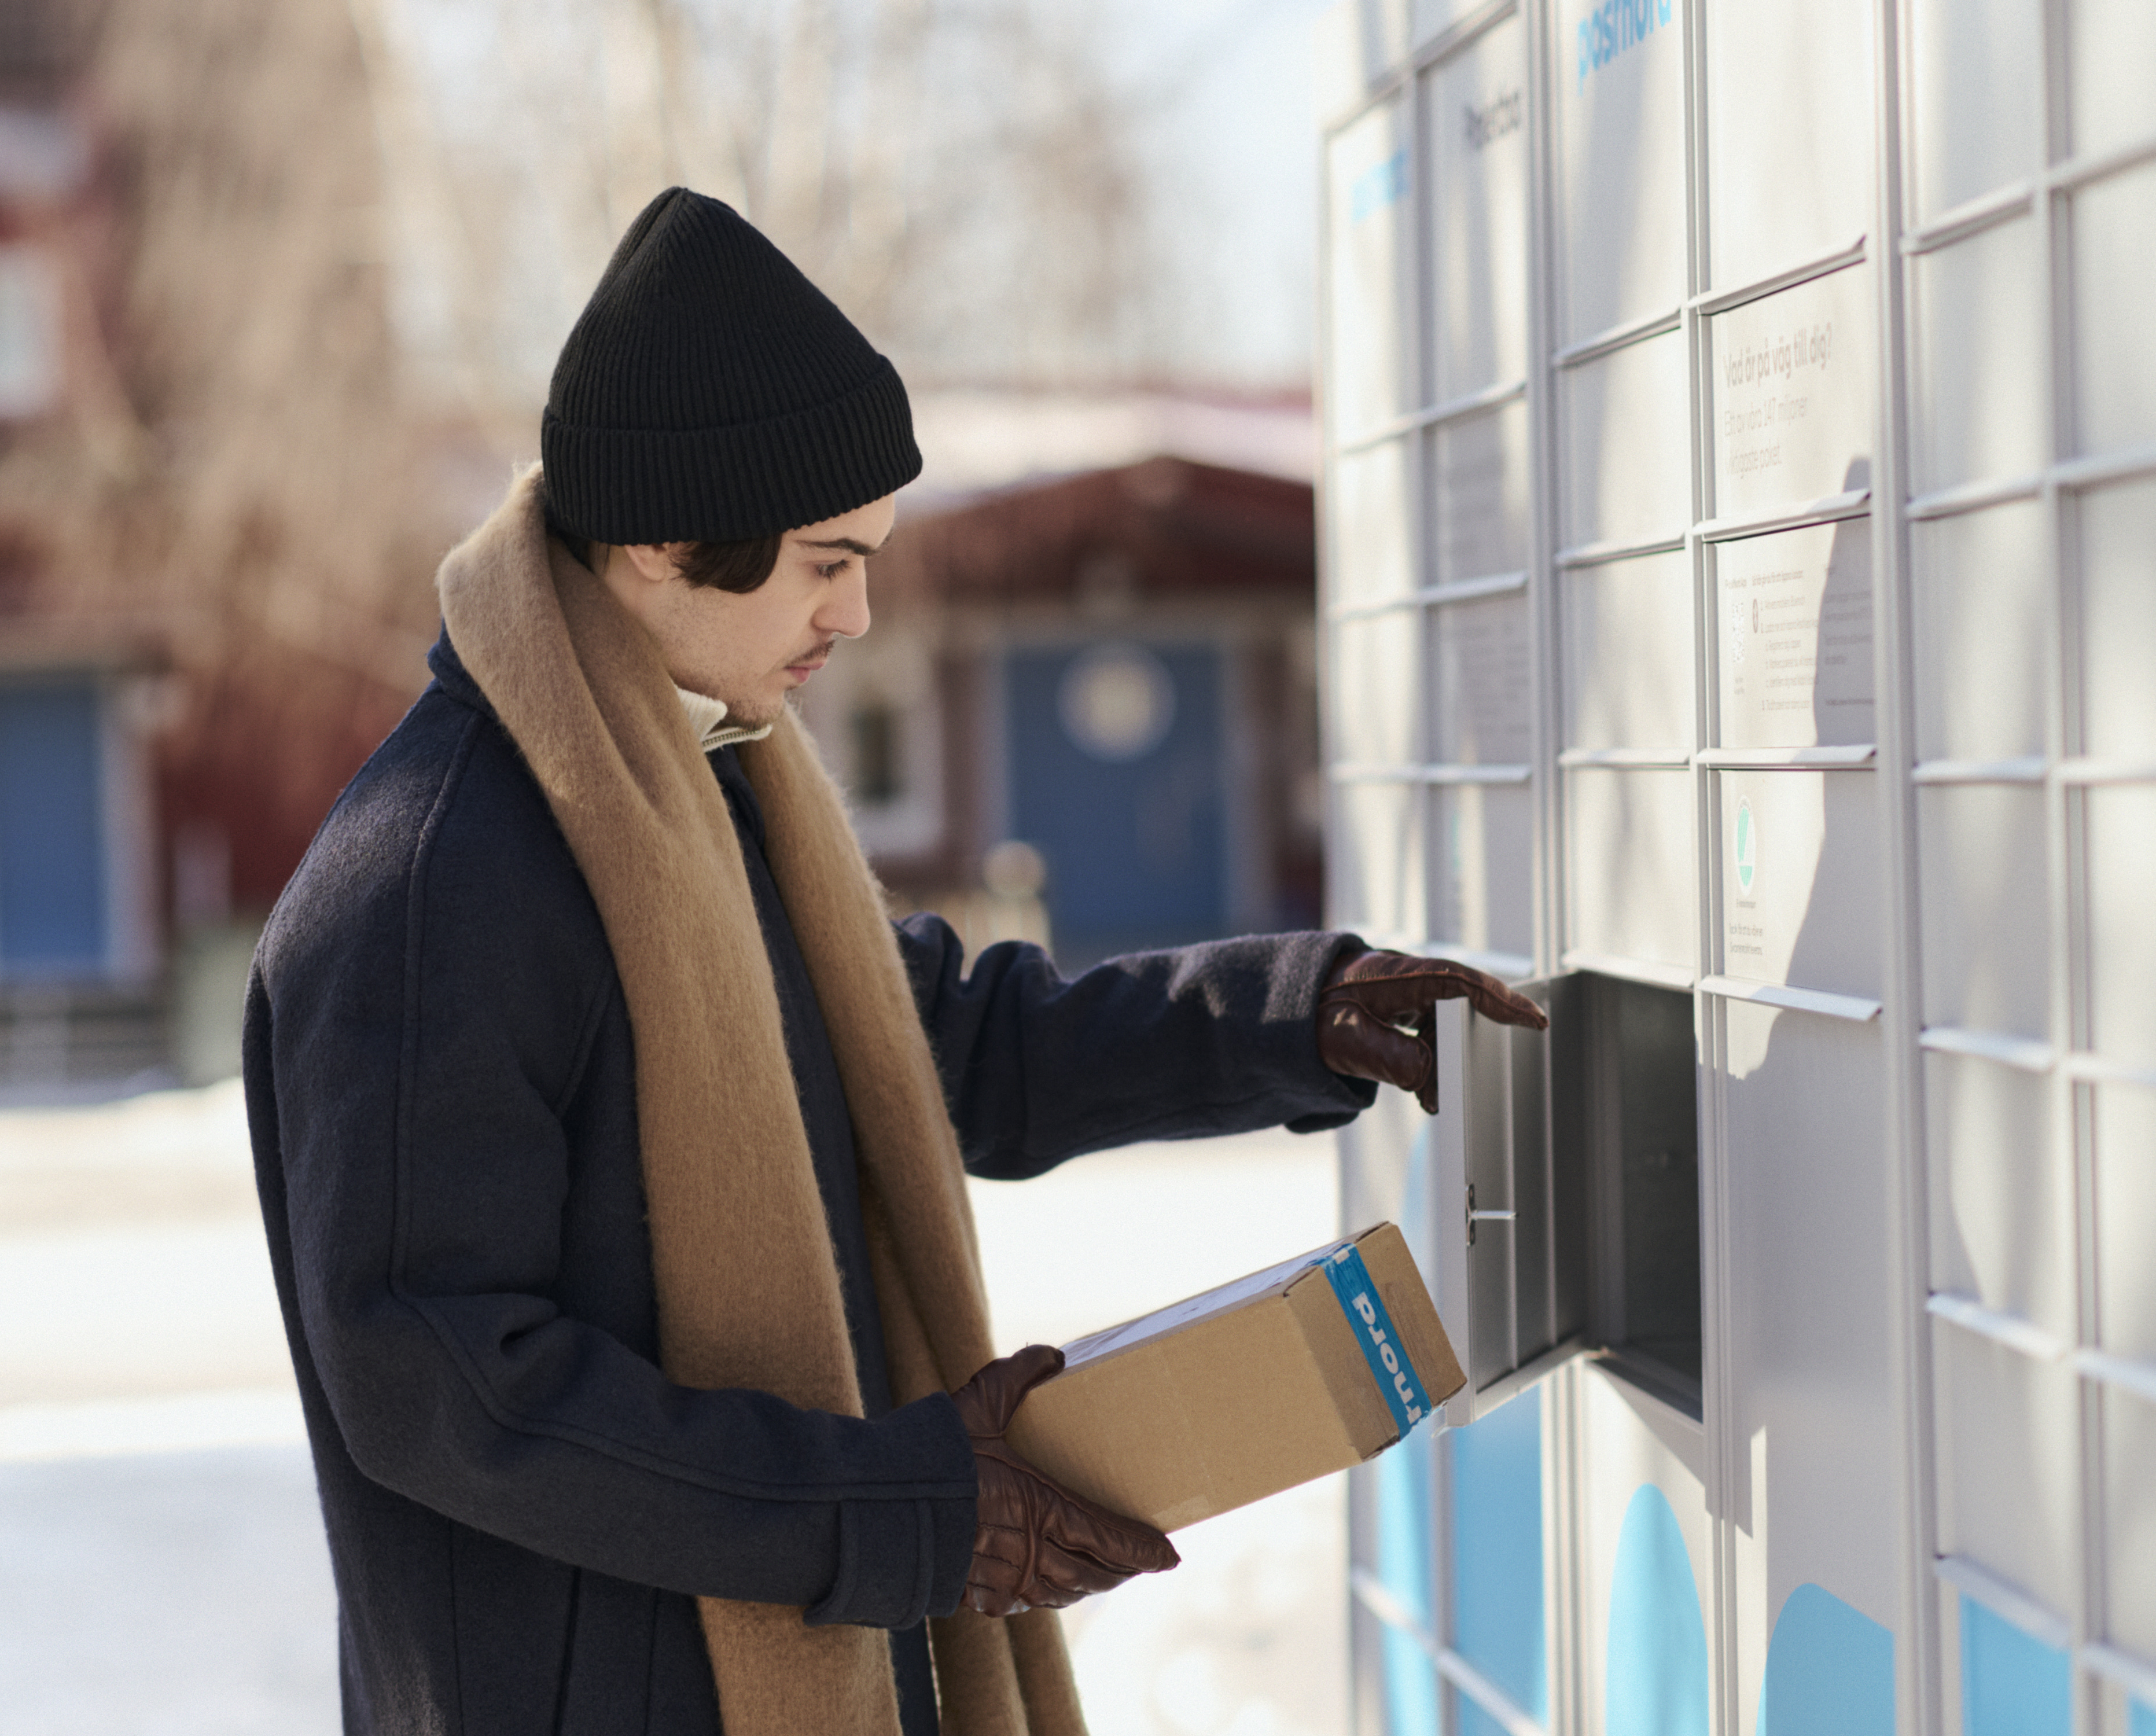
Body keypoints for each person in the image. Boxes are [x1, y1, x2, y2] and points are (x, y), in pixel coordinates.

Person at [244, 186, 1546, 1736]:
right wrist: (896, 1503)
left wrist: (1291, 1019)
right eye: (819, 562)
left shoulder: (697, 795)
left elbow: (931, 1046)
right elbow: (445, 1384)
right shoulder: (433, 884)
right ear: (663, 541)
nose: (856, 612)